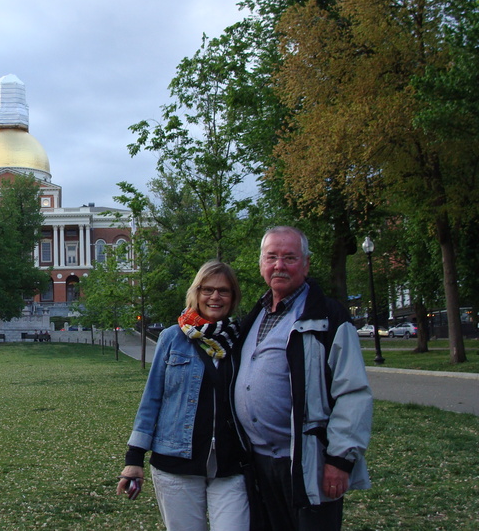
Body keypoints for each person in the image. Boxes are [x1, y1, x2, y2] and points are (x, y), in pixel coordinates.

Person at [233, 226, 372, 530]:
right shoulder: (255, 315)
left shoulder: (328, 317)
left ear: (306, 264)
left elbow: (353, 391)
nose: (279, 265)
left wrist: (340, 460)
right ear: (261, 264)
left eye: (289, 258)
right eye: (271, 257)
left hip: (309, 461)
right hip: (259, 464)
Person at [117, 260, 250, 530]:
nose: (215, 297)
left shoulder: (242, 341)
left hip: (230, 464)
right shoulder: (172, 337)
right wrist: (134, 459)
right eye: (207, 289)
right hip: (175, 461)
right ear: (196, 293)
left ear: (233, 297)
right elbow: (152, 399)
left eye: (223, 291)